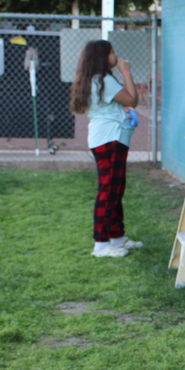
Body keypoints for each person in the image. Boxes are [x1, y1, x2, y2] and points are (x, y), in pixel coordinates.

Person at [69, 40, 143, 258]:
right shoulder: (104, 80)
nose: (116, 54)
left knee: (115, 188)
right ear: (103, 57)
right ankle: (100, 244)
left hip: (107, 138)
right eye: (112, 52)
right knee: (108, 190)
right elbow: (133, 99)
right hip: (109, 139)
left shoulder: (94, 79)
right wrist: (127, 72)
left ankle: (117, 237)